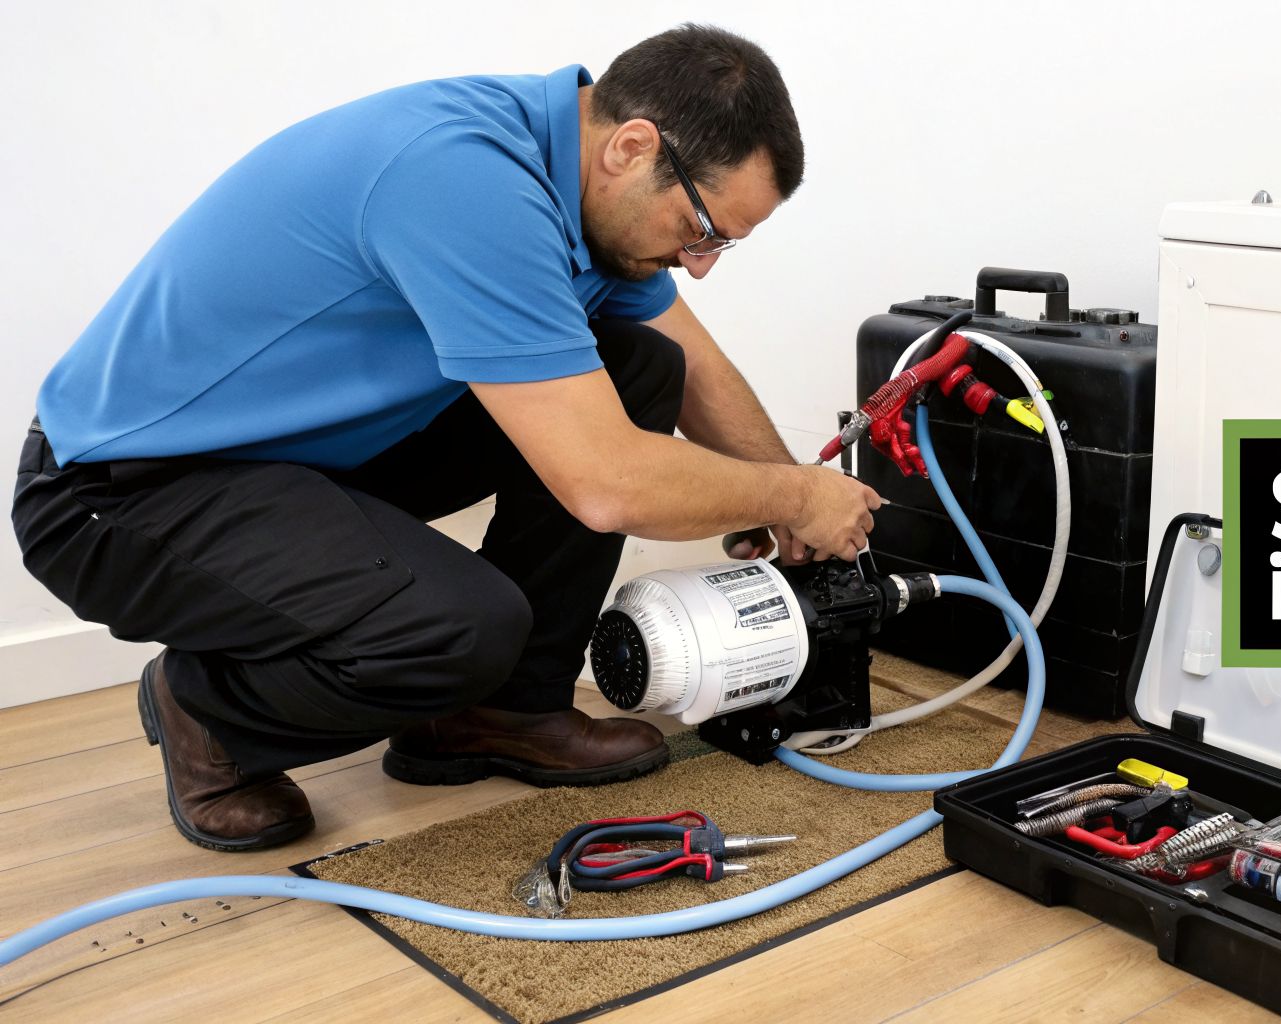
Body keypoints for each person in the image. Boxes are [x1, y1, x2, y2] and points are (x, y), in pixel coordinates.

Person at [11, 24, 879, 853]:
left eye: (724, 243)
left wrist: (790, 490)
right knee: (460, 628)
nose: (702, 262)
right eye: (701, 229)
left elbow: (689, 364)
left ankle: (501, 712)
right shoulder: (462, 178)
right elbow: (605, 484)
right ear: (632, 147)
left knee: (639, 366)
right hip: (117, 489)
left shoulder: (572, 179)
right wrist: (792, 494)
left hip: (296, 455)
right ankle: (209, 711)